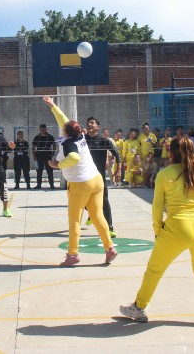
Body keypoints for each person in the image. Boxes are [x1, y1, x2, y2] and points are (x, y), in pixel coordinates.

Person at [119, 136, 194, 328]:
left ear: (171, 153)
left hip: (177, 227)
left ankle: (139, 307)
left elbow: (157, 207)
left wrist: (158, 230)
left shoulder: (165, 174)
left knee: (155, 269)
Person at [42, 96, 118, 267]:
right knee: (98, 216)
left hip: (80, 184)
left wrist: (58, 164)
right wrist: (53, 105)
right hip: (96, 180)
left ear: (66, 132)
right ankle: (109, 249)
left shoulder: (69, 143)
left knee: (75, 220)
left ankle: (72, 254)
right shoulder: (80, 135)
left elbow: (74, 157)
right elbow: (64, 120)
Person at [84, 117, 122, 237]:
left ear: (97, 127)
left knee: (104, 201)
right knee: (82, 201)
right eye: (88, 123)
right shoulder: (82, 140)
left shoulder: (103, 140)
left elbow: (117, 154)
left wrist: (119, 169)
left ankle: (110, 227)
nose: (89, 125)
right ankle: (91, 212)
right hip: (85, 177)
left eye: (92, 123)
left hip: (99, 176)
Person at [32, 124, 57, 190]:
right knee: (39, 171)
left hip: (48, 156)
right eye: (41, 129)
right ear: (39, 129)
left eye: (44, 129)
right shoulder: (37, 137)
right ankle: (38, 185)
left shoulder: (50, 137)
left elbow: (54, 145)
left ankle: (51, 185)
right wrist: (34, 155)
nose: (43, 130)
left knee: (50, 171)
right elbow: (33, 147)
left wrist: (53, 153)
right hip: (39, 156)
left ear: (46, 129)